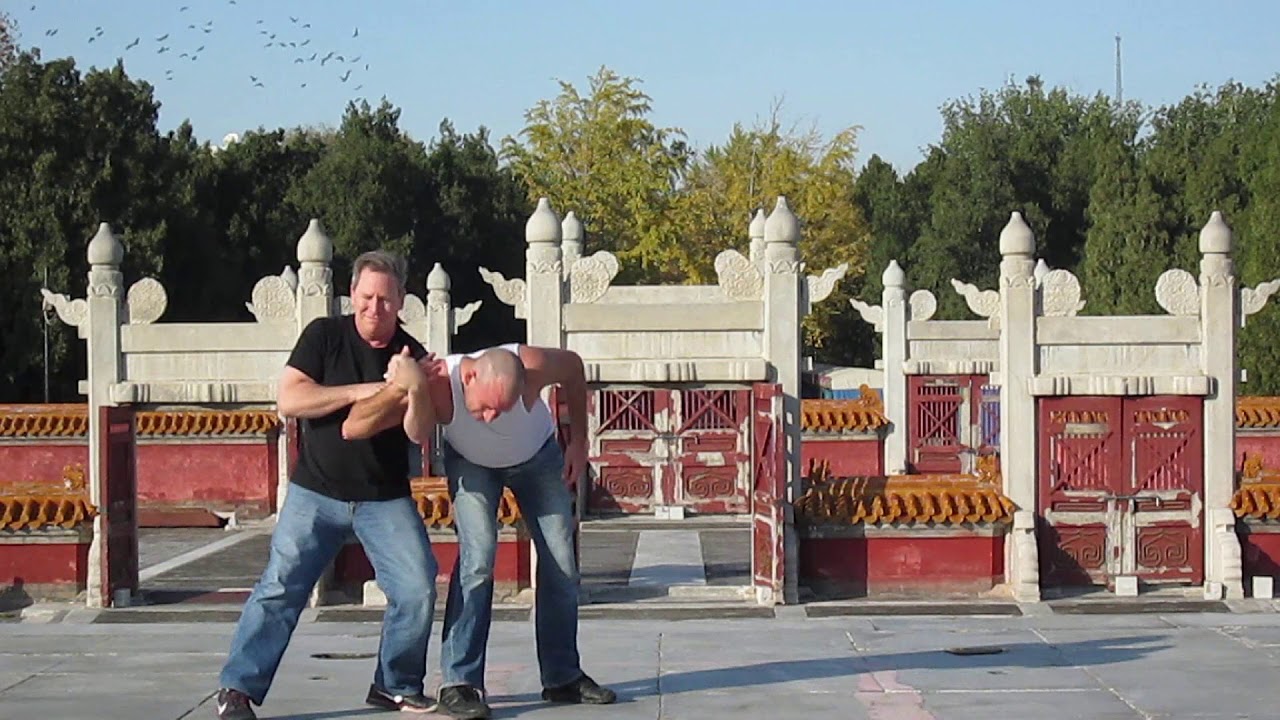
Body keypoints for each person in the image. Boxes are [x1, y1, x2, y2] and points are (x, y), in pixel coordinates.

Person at [213, 250, 442, 720]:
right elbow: (290, 399)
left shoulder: (410, 354)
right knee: (281, 588)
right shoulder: (324, 336)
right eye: (366, 297)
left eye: (385, 299)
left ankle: (395, 683)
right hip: (315, 491)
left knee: (417, 588)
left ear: (401, 300)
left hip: (384, 496)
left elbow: (419, 433)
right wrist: (365, 391)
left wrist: (414, 385)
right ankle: (237, 690)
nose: (374, 308)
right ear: (352, 294)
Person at [344, 342, 617, 720]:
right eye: (486, 407)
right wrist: (408, 385)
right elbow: (382, 428)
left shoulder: (533, 365)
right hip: (472, 465)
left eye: (500, 410)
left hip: (538, 457)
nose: (490, 418)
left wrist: (579, 441)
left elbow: (573, 367)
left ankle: (562, 676)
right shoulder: (441, 380)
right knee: (478, 560)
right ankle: (460, 682)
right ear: (469, 376)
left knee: (561, 562)